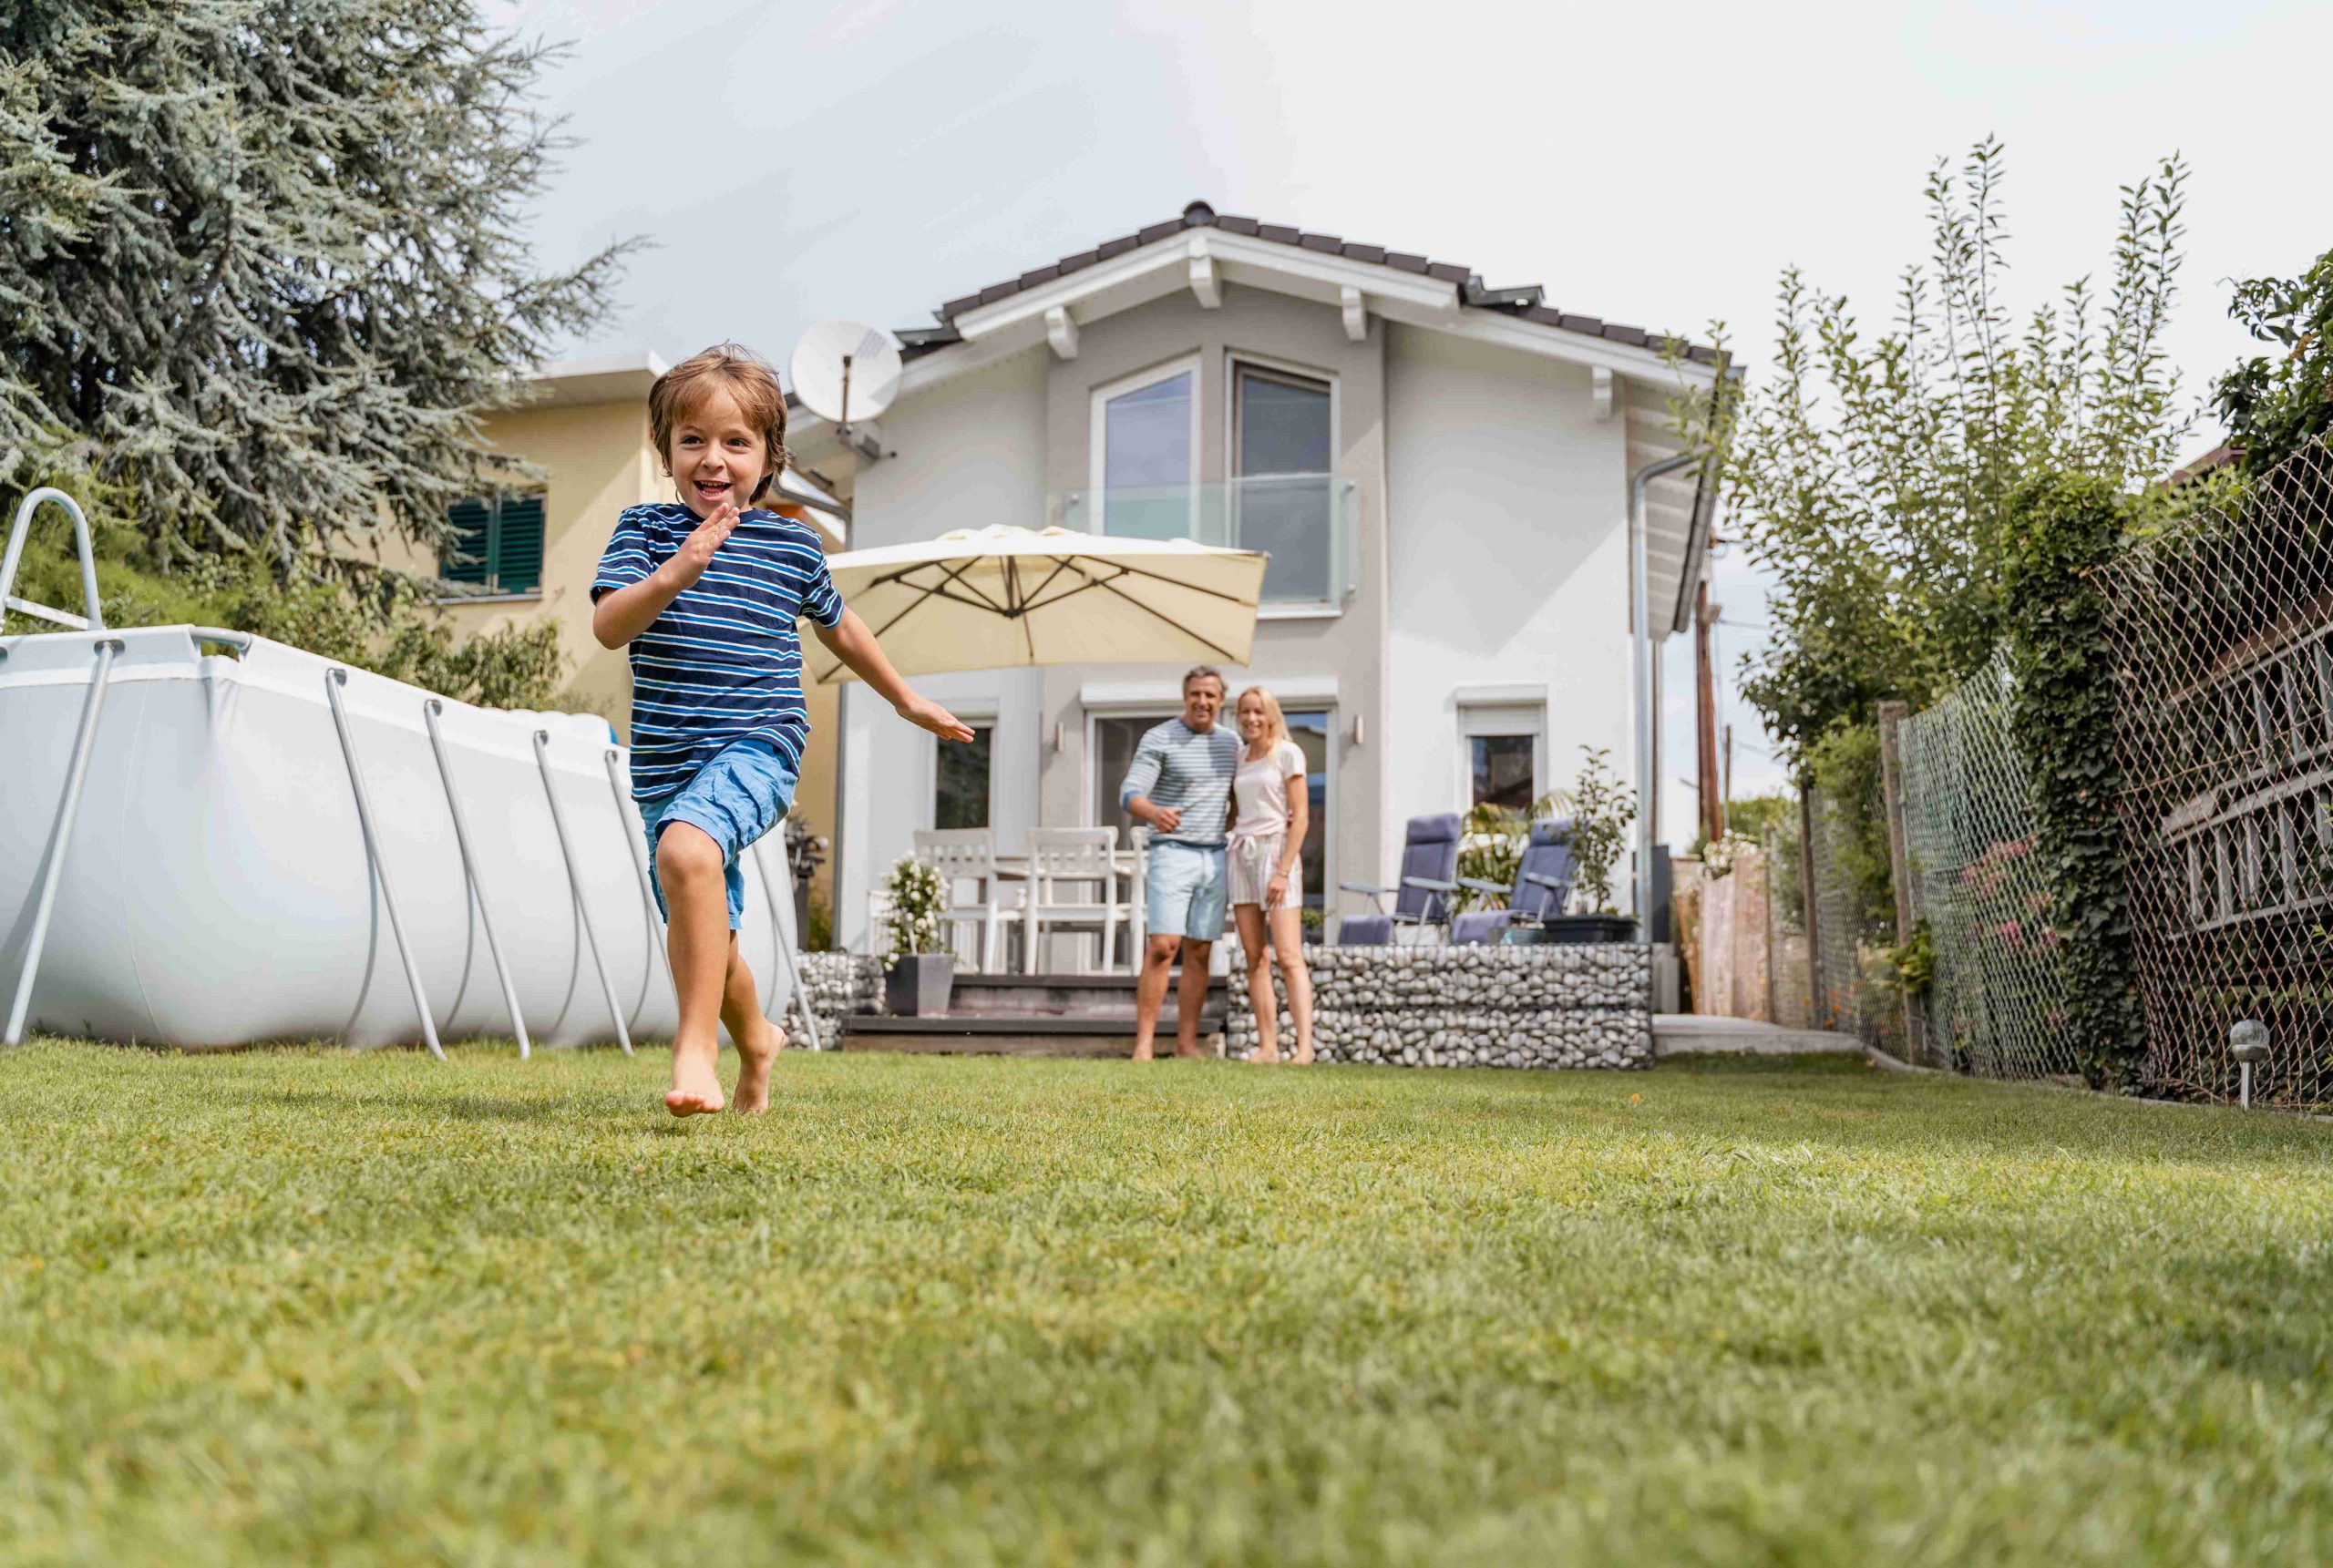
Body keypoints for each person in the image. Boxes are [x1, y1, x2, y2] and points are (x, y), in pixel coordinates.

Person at [591, 343, 971, 1117]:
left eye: (736, 442)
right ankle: (758, 1039)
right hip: (667, 758)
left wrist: (904, 698)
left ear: (768, 458)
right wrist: (674, 575)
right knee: (705, 921)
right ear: (666, 451)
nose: (713, 458)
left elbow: (841, 627)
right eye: (692, 439)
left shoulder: (792, 543)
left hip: (760, 741)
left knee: (686, 850)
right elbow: (606, 626)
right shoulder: (645, 531)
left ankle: (695, 1048)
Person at [1119, 667, 1240, 1060]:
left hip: (1214, 854)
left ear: (1221, 700)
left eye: (1210, 695)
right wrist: (1153, 812)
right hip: (1172, 852)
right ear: (1185, 696)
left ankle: (1187, 1044)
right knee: (1162, 946)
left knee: (1201, 950)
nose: (1202, 701)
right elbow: (1130, 793)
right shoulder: (1160, 737)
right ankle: (1144, 1045)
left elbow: (1240, 792)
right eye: (1195, 694)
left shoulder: (1232, 743)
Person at [1226, 686, 1315, 1064]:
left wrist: (1282, 871)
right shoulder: (1240, 756)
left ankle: (1305, 1047)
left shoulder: (1288, 753)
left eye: (1258, 712)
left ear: (1271, 715)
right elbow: (1235, 811)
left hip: (1277, 852)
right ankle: (1268, 1047)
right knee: (1254, 956)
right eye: (1245, 712)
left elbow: (1302, 817)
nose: (1251, 719)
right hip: (1242, 852)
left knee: (1290, 956)